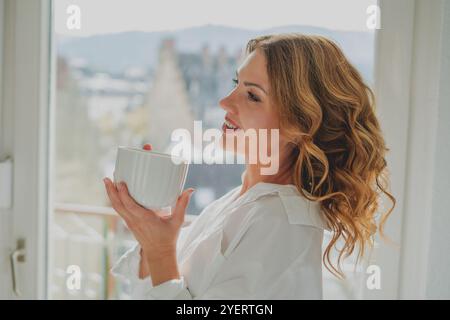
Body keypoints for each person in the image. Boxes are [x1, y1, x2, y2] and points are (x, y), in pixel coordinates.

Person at [103, 33, 395, 299]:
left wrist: (161, 250)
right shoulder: (240, 201)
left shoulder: (284, 228)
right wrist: (150, 236)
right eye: (236, 85)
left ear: (301, 124)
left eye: (252, 95)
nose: (224, 102)